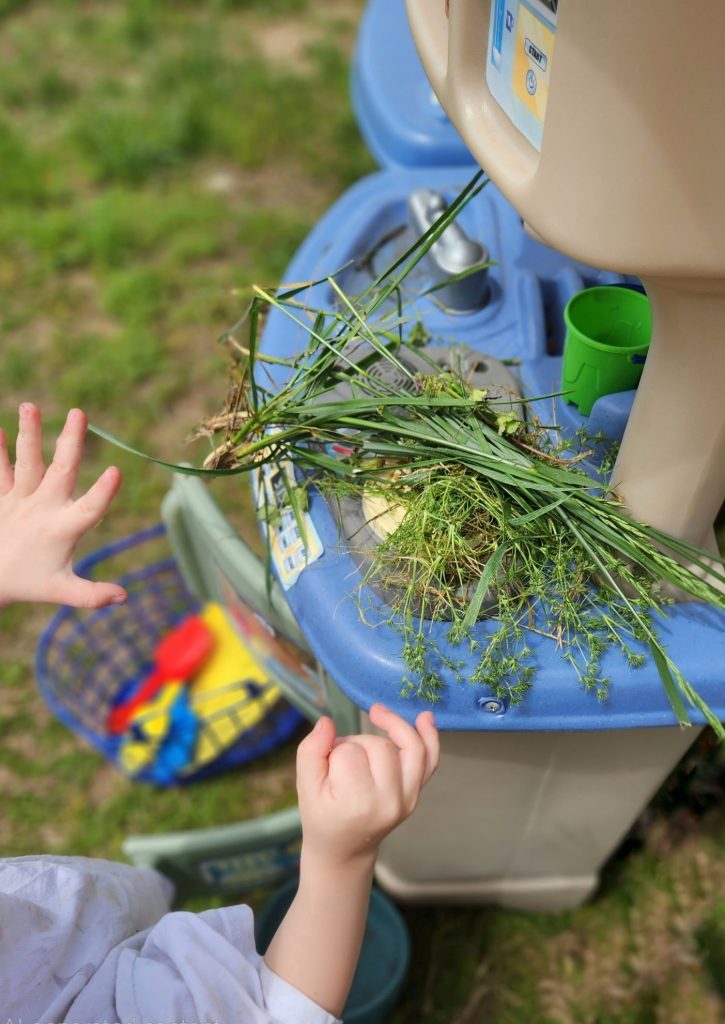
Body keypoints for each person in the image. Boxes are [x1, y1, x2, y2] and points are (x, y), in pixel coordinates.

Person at [0, 402, 441, 1023]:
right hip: (110, 968)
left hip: (87, 920)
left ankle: (163, 897)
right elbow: (275, 1012)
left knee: (146, 904)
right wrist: (340, 857)